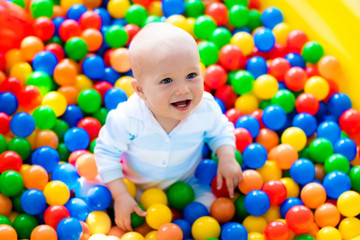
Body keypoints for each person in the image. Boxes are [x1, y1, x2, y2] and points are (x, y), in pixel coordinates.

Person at [94, 22, 242, 232]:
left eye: (191, 75)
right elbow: (106, 152)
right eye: (167, 81)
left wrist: (226, 156)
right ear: (141, 90)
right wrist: (120, 195)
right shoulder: (129, 117)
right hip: (134, 186)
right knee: (97, 199)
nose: (183, 89)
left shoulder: (204, 108)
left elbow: (221, 130)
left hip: (188, 182)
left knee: (214, 211)